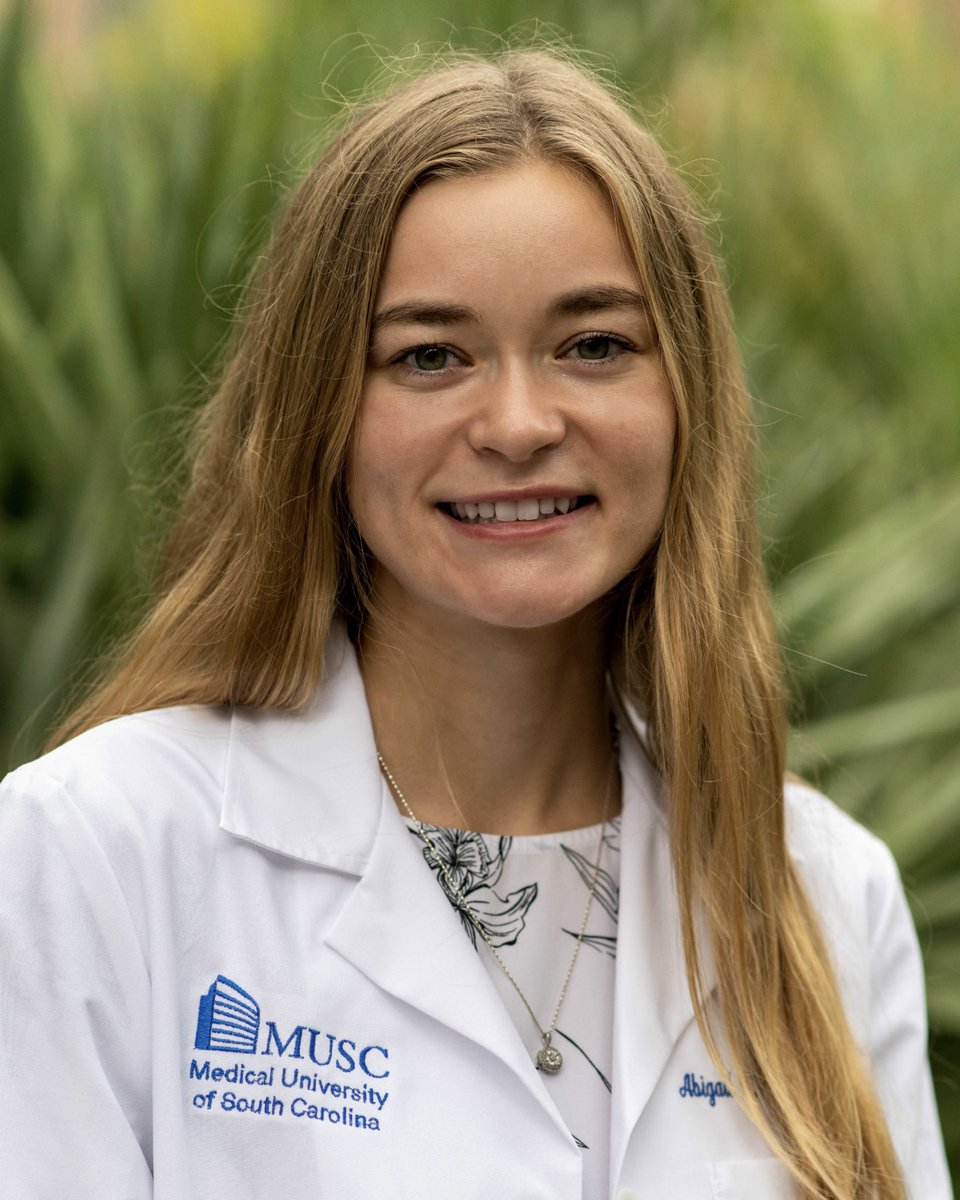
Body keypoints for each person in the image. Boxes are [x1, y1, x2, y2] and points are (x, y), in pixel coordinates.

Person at [0, 48, 951, 1200]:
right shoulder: (94, 852)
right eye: (430, 356)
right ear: (320, 409)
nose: (517, 423)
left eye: (593, 345)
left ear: (688, 394)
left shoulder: (824, 891)